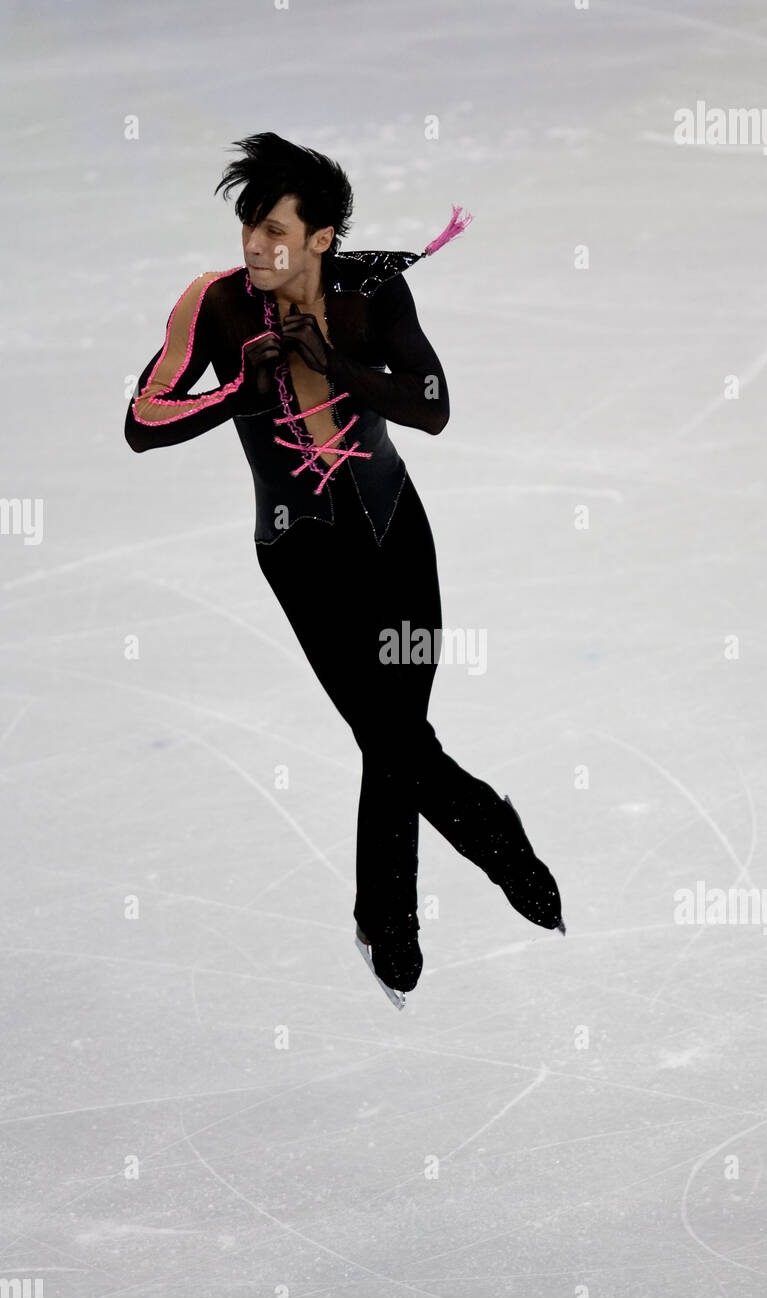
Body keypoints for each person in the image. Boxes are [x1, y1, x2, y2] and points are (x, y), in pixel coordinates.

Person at [124, 132, 565, 1006]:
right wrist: (234, 392)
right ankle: (496, 839)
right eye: (249, 225)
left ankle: (384, 920)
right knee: (391, 732)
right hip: (299, 554)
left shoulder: (371, 295)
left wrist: (344, 370)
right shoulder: (211, 307)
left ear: (322, 236)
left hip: (395, 534)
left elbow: (433, 407)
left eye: (276, 228)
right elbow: (143, 418)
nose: (255, 245)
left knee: (393, 731)